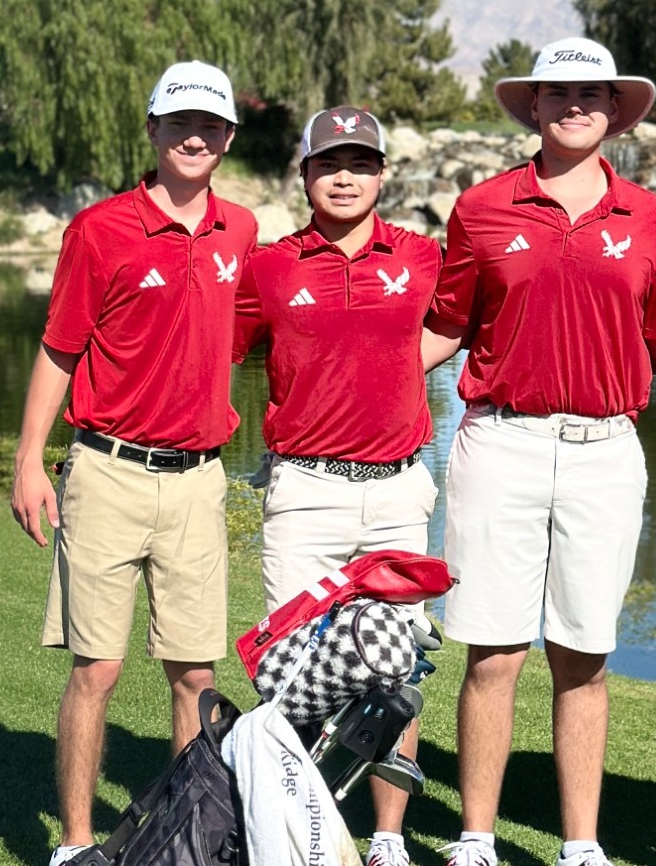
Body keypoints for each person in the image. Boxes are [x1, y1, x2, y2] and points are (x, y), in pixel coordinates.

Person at [421, 37, 656, 866]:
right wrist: (339, 371)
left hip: (606, 450)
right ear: (533, 106)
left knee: (584, 655)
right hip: (501, 443)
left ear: (615, 112)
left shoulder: (652, 218)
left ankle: (580, 846)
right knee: (492, 651)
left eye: (592, 94)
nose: (575, 105)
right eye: (558, 92)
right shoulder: (481, 207)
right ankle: (474, 838)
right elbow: (444, 328)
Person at [9, 61, 258, 866]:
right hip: (107, 472)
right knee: (98, 668)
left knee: (195, 672)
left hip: (197, 480)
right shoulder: (100, 229)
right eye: (180, 121)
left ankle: (188, 838)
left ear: (227, 139)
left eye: (212, 125)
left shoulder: (241, 231)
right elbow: (58, 348)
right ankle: (77, 845)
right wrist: (28, 460)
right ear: (152, 130)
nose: (196, 136)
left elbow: (261, 329)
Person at [232, 106, 441, 866]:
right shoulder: (271, 266)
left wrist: (391, 378)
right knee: (292, 673)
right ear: (306, 175)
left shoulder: (422, 257)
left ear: (383, 175)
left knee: (397, 666)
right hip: (306, 491)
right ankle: (292, 835)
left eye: (359, 163)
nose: (344, 177)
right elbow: (219, 344)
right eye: (329, 164)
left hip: (395, 488)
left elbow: (456, 324)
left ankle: (387, 837)